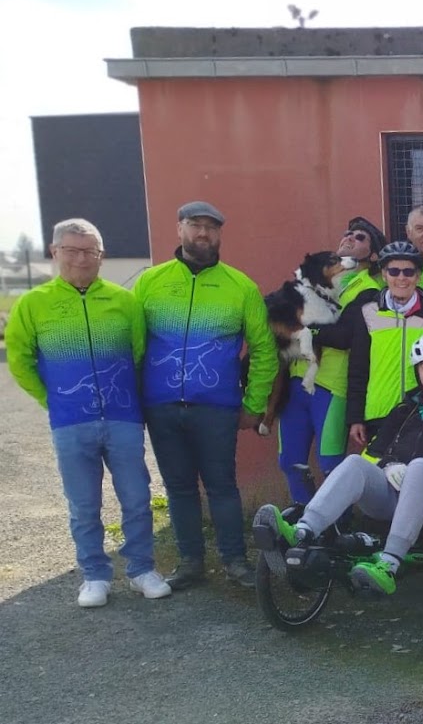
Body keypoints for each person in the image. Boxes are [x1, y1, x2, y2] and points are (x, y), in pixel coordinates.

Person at [253, 333, 423, 595]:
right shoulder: (405, 409)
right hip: (393, 495)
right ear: (418, 372)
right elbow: (372, 454)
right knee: (353, 463)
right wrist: (388, 465)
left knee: (418, 466)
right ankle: (302, 532)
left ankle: (388, 566)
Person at [6, 218, 173, 607]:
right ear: (55, 253)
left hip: (123, 418)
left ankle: (141, 569)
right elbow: (20, 362)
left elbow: (137, 352)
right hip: (70, 422)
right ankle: (95, 576)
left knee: (135, 497)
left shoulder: (124, 301)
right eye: (72, 250)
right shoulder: (33, 304)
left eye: (90, 251)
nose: (81, 259)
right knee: (83, 504)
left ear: (101, 256)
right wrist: (54, 399)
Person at [135, 201, 276, 589]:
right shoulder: (150, 282)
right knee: (178, 487)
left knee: (222, 486)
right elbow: (134, 345)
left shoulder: (240, 286)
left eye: (211, 228)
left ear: (219, 235)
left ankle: (235, 562)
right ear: (179, 229)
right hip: (161, 406)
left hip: (217, 408)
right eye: (195, 225)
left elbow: (263, 349)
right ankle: (190, 563)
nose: (203, 234)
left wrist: (254, 403)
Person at [275, 216, 384, 502]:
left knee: (331, 466)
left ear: (373, 256)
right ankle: (303, 523)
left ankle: (337, 529)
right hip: (296, 383)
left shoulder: (369, 290)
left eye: (360, 237)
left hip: (332, 387)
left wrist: (302, 328)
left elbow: (344, 336)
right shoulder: (311, 279)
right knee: (290, 461)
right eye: (347, 233)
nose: (350, 237)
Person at [343, 241, 423, 448]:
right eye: (394, 271)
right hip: (379, 412)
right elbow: (358, 368)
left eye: (408, 272)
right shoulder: (368, 311)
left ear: (418, 276)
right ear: (384, 275)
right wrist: (355, 418)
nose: (401, 278)